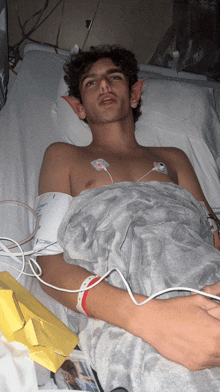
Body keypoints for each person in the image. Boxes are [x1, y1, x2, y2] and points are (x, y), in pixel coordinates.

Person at [37, 45, 220, 389]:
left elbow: (212, 235)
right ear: (77, 106)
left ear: (134, 94)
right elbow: (48, 264)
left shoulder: (175, 158)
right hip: (132, 304)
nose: (104, 86)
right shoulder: (63, 156)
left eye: (114, 78)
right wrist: (148, 319)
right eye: (90, 83)